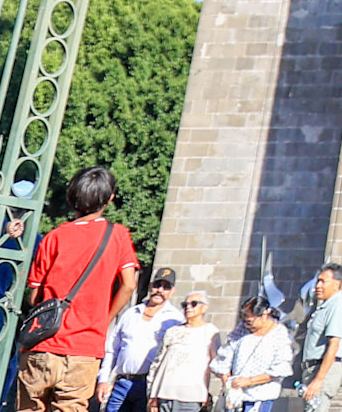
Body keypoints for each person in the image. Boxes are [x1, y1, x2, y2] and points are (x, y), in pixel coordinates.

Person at [17, 168, 138, 412]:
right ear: (110, 199)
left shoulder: (53, 237)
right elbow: (129, 284)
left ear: (71, 197)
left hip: (43, 343)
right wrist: (105, 319)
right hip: (84, 347)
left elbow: (35, 296)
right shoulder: (117, 235)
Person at [99, 269, 180, 412]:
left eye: (166, 287)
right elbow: (112, 349)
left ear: (172, 291)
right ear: (150, 286)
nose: (160, 290)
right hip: (121, 383)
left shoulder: (175, 319)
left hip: (148, 387)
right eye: (157, 285)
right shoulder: (130, 314)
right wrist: (103, 380)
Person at [213, 297, 293, 412]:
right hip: (235, 396)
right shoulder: (242, 329)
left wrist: (249, 381)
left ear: (264, 315)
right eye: (244, 321)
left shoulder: (279, 334)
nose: (247, 325)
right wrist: (226, 378)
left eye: (250, 322)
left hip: (260, 396)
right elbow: (226, 354)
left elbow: (280, 368)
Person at [143, 294, 219, 412]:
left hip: (191, 396)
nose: (188, 307)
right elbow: (157, 364)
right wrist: (152, 394)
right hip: (164, 394)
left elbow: (217, 364)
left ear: (204, 308)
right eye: (185, 305)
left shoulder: (210, 331)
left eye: (193, 304)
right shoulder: (172, 331)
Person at [296, 264, 342, 412]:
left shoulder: (338, 306)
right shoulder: (325, 306)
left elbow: (334, 345)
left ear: (336, 284)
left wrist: (319, 379)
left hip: (322, 370)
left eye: (323, 281)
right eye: (317, 281)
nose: (318, 286)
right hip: (312, 369)